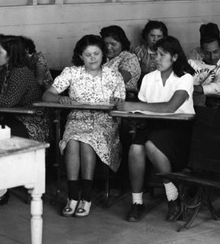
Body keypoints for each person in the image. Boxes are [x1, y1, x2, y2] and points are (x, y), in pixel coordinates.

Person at [42, 35, 125, 217]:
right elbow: (47, 96)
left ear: (103, 54)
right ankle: (72, 197)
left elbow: (121, 104)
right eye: (88, 55)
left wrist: (116, 106)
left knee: (87, 142)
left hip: (104, 122)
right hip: (77, 120)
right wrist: (60, 98)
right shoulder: (72, 73)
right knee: (72, 141)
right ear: (81, 56)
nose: (93, 58)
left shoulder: (114, 75)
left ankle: (86, 197)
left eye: (96, 53)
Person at [0, 34, 51, 209]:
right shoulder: (7, 71)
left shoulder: (20, 73)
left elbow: (8, 101)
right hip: (14, 118)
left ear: (10, 54)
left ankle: (0, 191)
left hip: (31, 123)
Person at [117, 36, 195, 223]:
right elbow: (143, 108)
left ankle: (172, 197)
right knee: (136, 148)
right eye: (155, 55)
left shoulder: (185, 78)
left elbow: (170, 107)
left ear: (175, 57)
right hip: (152, 124)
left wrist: (132, 105)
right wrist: (133, 108)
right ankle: (137, 202)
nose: (156, 59)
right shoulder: (149, 78)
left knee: (151, 145)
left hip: (178, 127)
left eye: (162, 55)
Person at [188, 27, 220, 105]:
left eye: (215, 52)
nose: (212, 57)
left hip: (211, 107)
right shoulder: (191, 63)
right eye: (207, 53)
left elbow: (218, 88)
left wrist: (190, 87)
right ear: (201, 51)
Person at [100, 25, 141, 100]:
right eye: (105, 44)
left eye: (113, 44)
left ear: (122, 43)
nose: (108, 47)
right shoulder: (100, 57)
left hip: (124, 98)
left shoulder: (129, 58)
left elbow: (119, 80)